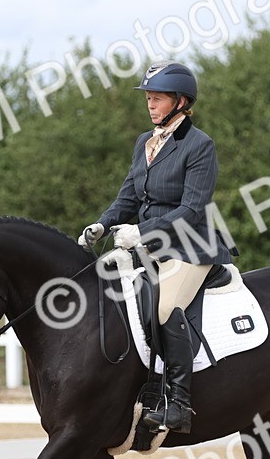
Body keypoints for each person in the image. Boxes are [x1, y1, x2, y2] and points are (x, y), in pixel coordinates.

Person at [77, 61, 232, 434]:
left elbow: (192, 209)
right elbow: (128, 196)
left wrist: (141, 232)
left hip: (190, 247)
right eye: (148, 98)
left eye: (157, 98)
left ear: (180, 101)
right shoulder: (144, 143)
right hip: (145, 244)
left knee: (165, 307)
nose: (150, 105)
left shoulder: (199, 145)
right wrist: (102, 224)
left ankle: (178, 402)